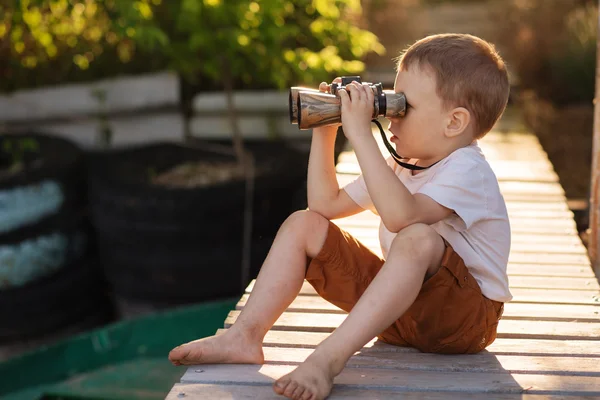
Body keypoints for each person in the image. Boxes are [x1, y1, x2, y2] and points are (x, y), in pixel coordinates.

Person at [168, 33, 512, 400]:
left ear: (454, 122)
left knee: (418, 237)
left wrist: (360, 131)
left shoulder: (468, 169)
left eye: (402, 106)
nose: (389, 115)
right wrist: (327, 130)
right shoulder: (404, 166)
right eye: (388, 100)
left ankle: (327, 360)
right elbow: (324, 205)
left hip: (463, 321)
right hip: (399, 316)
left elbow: (403, 217)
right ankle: (244, 336)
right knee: (304, 223)